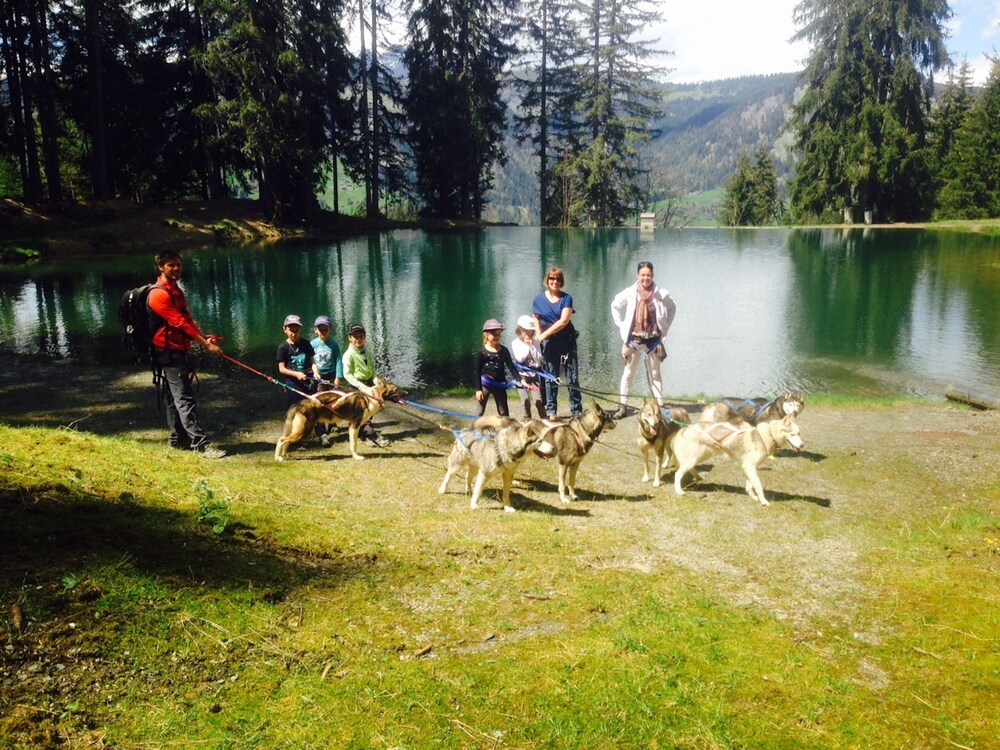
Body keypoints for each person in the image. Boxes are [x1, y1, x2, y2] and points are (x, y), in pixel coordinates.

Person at [146, 249, 226, 458]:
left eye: (178, 265)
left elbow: (188, 320)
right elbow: (178, 323)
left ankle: (177, 439)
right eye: (171, 265)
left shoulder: (176, 290)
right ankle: (201, 444)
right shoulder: (158, 294)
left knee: (175, 397)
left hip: (180, 349)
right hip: (167, 352)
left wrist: (203, 338)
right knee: (184, 397)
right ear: (161, 267)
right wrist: (207, 347)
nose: (176, 269)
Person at [610, 260, 677, 419]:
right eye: (642, 275)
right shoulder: (630, 292)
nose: (645, 278)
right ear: (637, 275)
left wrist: (666, 326)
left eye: (648, 275)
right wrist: (621, 326)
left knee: (655, 374)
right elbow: (615, 305)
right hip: (635, 340)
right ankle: (622, 407)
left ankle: (659, 406)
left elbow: (672, 307)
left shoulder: (661, 294)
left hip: (654, 340)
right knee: (628, 374)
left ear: (652, 275)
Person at [532, 266, 582, 418]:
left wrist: (544, 334)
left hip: (567, 341)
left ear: (561, 282)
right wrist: (538, 335)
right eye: (552, 278)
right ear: (547, 280)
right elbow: (536, 318)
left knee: (572, 377)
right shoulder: (539, 299)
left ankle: (577, 410)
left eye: (558, 279)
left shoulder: (566, 299)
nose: (555, 281)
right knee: (550, 377)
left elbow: (564, 321)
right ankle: (551, 410)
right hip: (550, 344)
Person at [341, 323, 389, 447]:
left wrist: (375, 380)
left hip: (369, 384)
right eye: (355, 336)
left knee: (370, 410)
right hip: (357, 386)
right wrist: (362, 387)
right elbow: (347, 374)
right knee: (360, 412)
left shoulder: (366, 352)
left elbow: (372, 370)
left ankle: (366, 431)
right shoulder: (348, 355)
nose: (358, 339)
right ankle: (366, 434)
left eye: (360, 336)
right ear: (349, 338)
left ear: (365, 337)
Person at [475, 318, 523, 417]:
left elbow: (511, 367)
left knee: (503, 412)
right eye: (494, 334)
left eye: (499, 334)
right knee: (479, 411)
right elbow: (477, 372)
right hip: (485, 385)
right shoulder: (482, 352)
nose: (497, 337)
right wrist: (478, 389)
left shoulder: (504, 351)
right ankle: (474, 430)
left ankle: (506, 431)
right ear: (486, 335)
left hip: (500, 384)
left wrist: (520, 380)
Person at [311, 315, 343, 447]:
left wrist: (338, 377)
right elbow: (311, 360)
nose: (323, 332)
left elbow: (338, 361)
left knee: (333, 401)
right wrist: (315, 372)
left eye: (326, 329)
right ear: (315, 330)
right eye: (320, 329)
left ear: (330, 329)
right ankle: (321, 430)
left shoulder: (334, 344)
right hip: (319, 377)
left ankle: (333, 423)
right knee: (320, 403)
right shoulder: (313, 344)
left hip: (331, 375)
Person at [276, 314, 321, 407]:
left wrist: (316, 373)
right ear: (285, 329)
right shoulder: (283, 347)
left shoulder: (306, 343)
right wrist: (296, 374)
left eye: (296, 331)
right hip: (292, 380)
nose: (294, 334)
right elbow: (282, 369)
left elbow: (313, 362)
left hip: (308, 377)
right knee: (295, 407)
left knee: (312, 406)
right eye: (291, 331)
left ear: (300, 330)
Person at [509, 314, 546, 419]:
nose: (529, 334)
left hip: (534, 375)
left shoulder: (536, 342)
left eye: (531, 331)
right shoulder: (515, 343)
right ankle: (527, 421)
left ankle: (544, 420)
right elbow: (520, 358)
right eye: (526, 331)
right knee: (525, 402)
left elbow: (539, 359)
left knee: (538, 400)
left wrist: (533, 347)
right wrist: (527, 346)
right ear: (520, 330)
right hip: (521, 376)